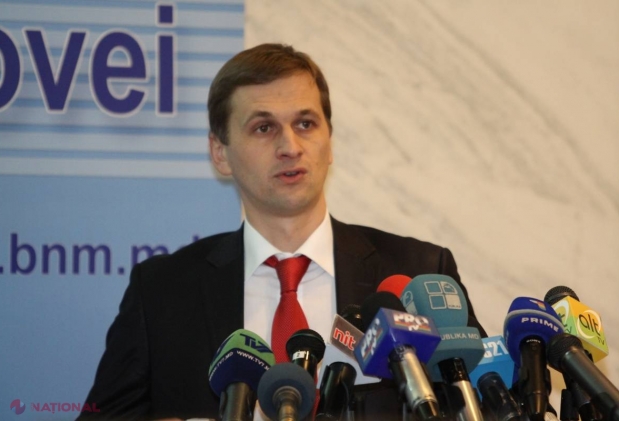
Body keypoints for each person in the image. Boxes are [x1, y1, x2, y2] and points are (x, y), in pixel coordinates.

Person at [78, 43, 485, 421]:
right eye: (263, 127)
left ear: (329, 141)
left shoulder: (419, 274)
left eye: (305, 123)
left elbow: (486, 402)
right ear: (220, 153)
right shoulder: (162, 293)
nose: (290, 146)